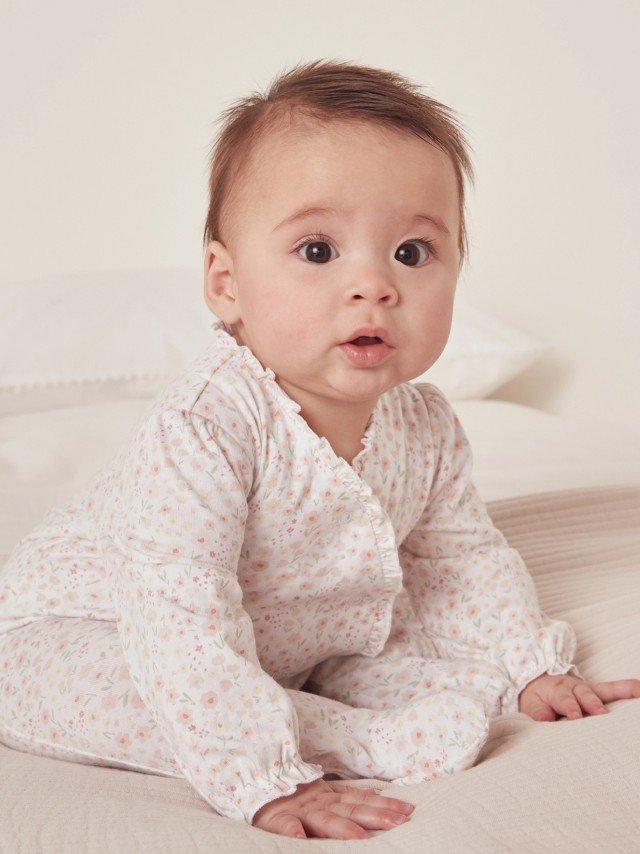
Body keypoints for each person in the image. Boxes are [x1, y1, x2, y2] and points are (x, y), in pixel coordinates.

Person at [2, 58, 639, 842]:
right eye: (316, 251)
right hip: (79, 632)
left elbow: (460, 561)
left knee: (409, 653)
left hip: (278, 650)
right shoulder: (207, 427)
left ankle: (349, 704)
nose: (373, 283)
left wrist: (526, 664)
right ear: (226, 285)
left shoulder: (426, 425)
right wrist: (262, 781)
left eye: (411, 252)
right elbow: (182, 618)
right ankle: (344, 740)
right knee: (113, 689)